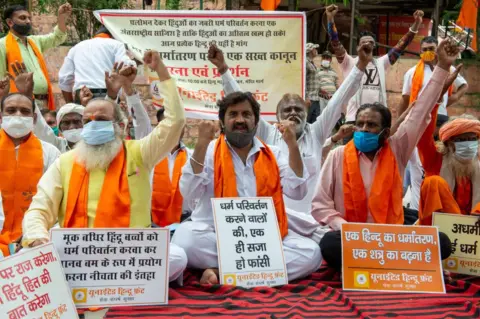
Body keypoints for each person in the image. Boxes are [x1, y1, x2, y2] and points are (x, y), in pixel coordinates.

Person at [21, 50, 187, 283]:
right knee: (27, 256)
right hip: (78, 256)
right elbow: (39, 208)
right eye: (87, 121)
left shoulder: (139, 153)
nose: (92, 125)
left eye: (101, 121)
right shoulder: (65, 162)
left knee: (177, 256)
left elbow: (175, 122)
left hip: (130, 255)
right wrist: (38, 239)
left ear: (119, 125)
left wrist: (161, 72)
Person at [311, 38, 459, 269]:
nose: (363, 130)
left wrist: (441, 67)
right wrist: (346, 228)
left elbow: (419, 112)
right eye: (359, 124)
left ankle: (379, 257)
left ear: (386, 132)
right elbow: (320, 205)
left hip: (391, 234)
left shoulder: (397, 148)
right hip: (353, 236)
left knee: (442, 243)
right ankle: (391, 259)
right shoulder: (337, 156)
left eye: (371, 126)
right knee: (329, 244)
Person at [208, 43, 369, 243]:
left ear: (306, 112)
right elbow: (241, 101)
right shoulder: (269, 135)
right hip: (275, 221)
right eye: (287, 110)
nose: (293, 113)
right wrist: (223, 69)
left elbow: (338, 99)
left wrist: (360, 65)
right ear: (277, 116)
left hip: (312, 223)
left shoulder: (316, 132)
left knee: (334, 245)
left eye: (298, 109)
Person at [172, 92, 322, 284]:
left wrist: (292, 145)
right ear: (222, 122)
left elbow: (298, 191)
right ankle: (259, 272)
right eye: (233, 114)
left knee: (312, 253)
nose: (240, 120)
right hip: (218, 236)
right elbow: (188, 193)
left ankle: (221, 272)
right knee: (186, 239)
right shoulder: (208, 152)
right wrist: (201, 143)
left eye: (246, 114)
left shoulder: (273, 154)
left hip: (264, 238)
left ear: (256, 121)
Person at [326, 4, 424, 124]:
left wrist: (417, 24)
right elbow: (335, 42)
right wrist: (330, 19)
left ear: (374, 46)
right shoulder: (349, 62)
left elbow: (401, 45)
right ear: (358, 47)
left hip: (377, 121)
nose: (367, 44)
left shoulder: (382, 63)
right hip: (353, 120)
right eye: (363, 42)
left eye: (370, 42)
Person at [0, 93, 61, 256]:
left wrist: (39, 237)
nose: (18, 115)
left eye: (24, 111)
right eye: (11, 110)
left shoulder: (50, 152)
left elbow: (57, 201)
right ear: (1, 116)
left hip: (36, 242)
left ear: (34, 119)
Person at [0, 4, 71, 110]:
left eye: (29, 18)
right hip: (20, 104)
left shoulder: (35, 41)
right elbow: (1, 79)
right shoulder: (2, 44)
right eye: (22, 18)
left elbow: (57, 37)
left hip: (44, 101)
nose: (28, 21)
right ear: (10, 22)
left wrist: (61, 18)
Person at [417, 109, 480, 225]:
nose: (468, 145)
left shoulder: (478, 160)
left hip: (473, 230)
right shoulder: (436, 159)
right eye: (462, 140)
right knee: (433, 182)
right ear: (449, 143)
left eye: (472, 139)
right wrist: (436, 100)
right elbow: (423, 133)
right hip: (440, 227)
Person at [59, 25, 134, 104]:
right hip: (108, 95)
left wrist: (70, 104)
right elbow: (126, 65)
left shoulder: (76, 47)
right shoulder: (117, 44)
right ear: (114, 35)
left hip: (82, 95)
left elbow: (63, 78)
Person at [401, 36, 468, 116]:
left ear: (438, 50)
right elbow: (406, 98)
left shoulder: (448, 68)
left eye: (431, 49)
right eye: (424, 49)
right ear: (420, 52)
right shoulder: (412, 72)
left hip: (440, 116)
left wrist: (455, 97)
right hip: (419, 117)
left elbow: (464, 85)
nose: (428, 52)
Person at [151, 108, 194, 227]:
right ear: (158, 127)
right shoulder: (147, 155)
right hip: (150, 223)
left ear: (184, 128)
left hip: (185, 222)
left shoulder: (193, 157)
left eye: (177, 124)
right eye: (167, 123)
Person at [308, 50, 338, 123]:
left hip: (332, 99)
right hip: (321, 98)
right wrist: (321, 90)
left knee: (330, 119)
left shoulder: (334, 72)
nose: (326, 59)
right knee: (320, 119)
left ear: (330, 60)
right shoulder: (317, 71)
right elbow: (315, 84)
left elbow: (336, 84)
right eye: (324, 58)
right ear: (322, 59)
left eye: (328, 58)